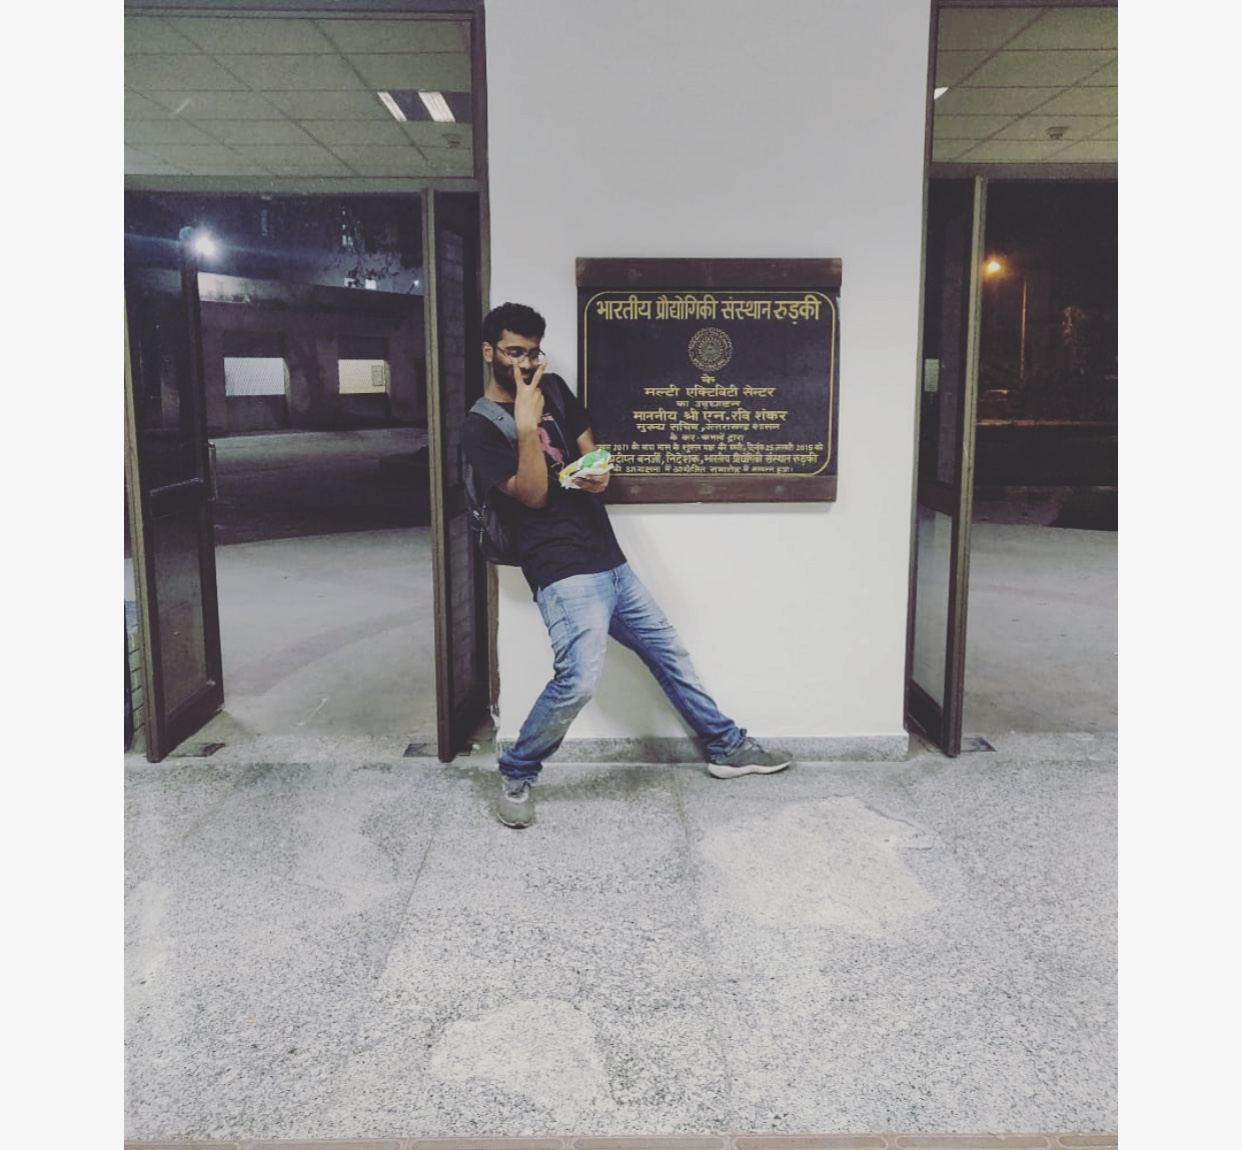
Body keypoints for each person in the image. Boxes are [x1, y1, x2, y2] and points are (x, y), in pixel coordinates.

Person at [462, 302, 793, 828]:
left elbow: (593, 455)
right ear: (489, 352)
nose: (525, 364)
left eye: (533, 353)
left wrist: (599, 473)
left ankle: (726, 747)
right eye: (513, 352)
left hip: (608, 558)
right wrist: (526, 426)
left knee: (669, 653)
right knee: (577, 681)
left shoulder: (557, 390)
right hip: (561, 569)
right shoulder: (480, 427)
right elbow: (532, 496)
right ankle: (517, 770)